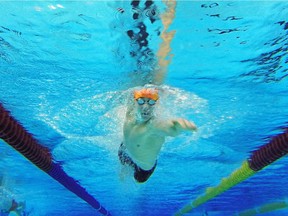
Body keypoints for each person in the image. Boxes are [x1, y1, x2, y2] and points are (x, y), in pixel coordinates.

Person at [118, 88, 197, 183]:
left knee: (137, 182)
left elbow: (167, 127)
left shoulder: (153, 126)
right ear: (134, 102)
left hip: (142, 168)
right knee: (123, 168)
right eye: (141, 101)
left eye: (151, 102)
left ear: (156, 105)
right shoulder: (130, 113)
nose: (145, 107)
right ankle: (124, 171)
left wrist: (177, 126)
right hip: (124, 150)